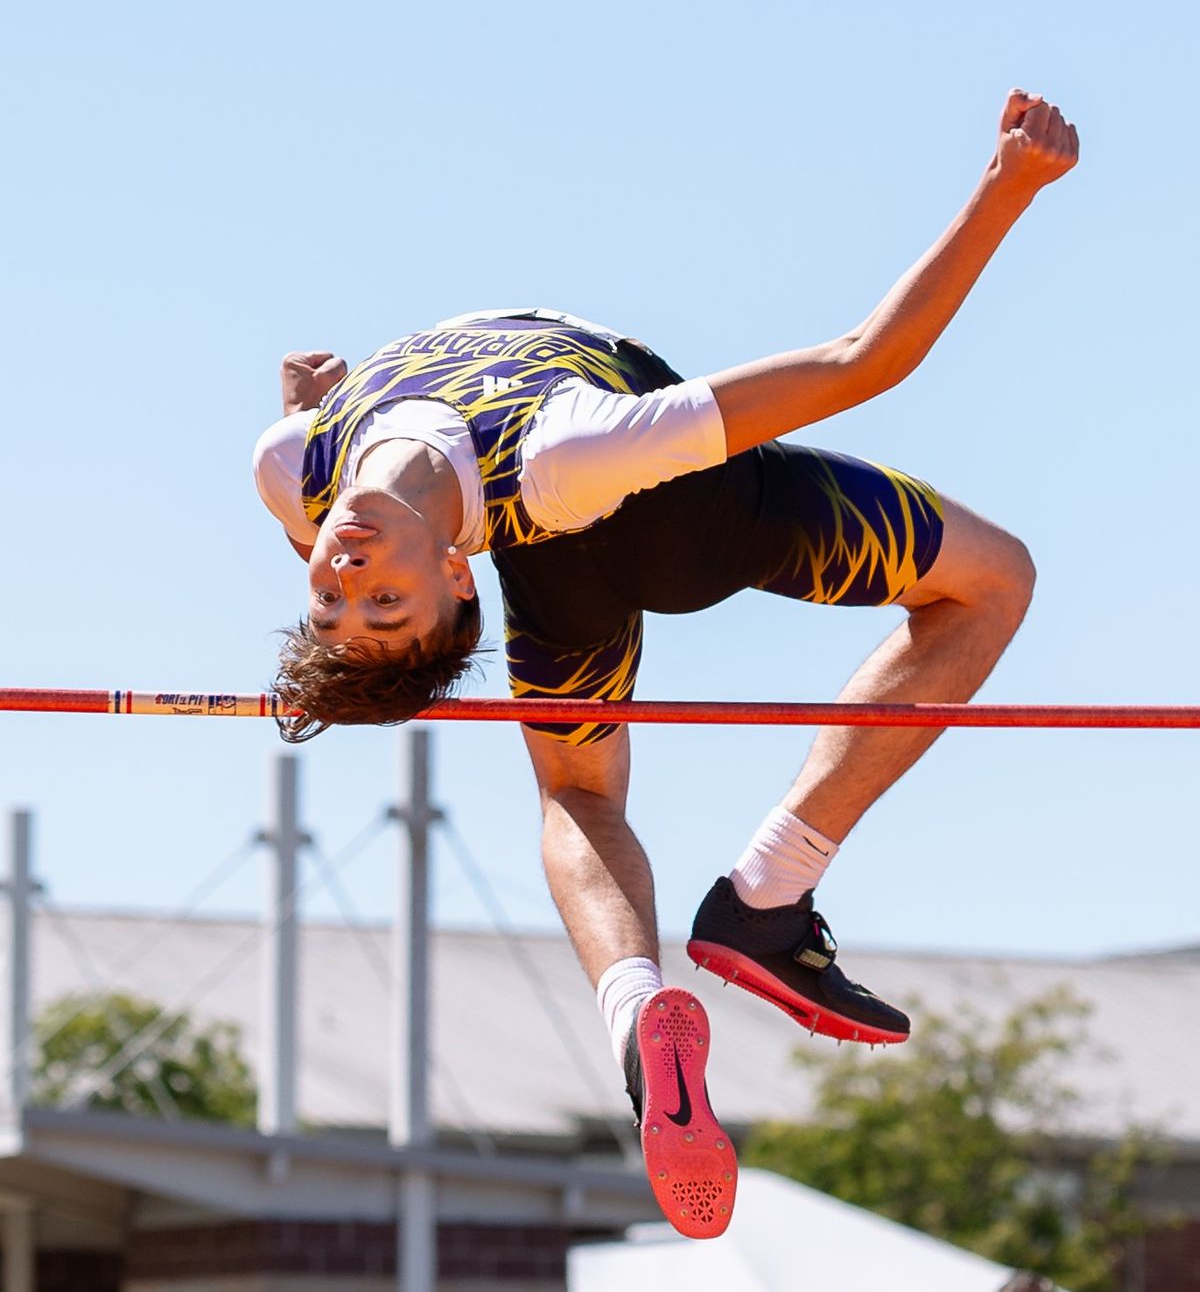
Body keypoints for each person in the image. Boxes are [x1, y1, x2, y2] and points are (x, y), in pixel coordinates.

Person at [253, 90, 1077, 1239]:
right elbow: (863, 360)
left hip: (562, 578)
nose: (344, 573)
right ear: (454, 574)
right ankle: (769, 894)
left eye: (337, 600)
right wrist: (1007, 191)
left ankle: (645, 1002)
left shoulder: (294, 467)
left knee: (579, 797)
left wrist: (310, 408)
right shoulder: (566, 455)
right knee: (997, 579)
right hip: (688, 520)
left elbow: (311, 528)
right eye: (381, 599)